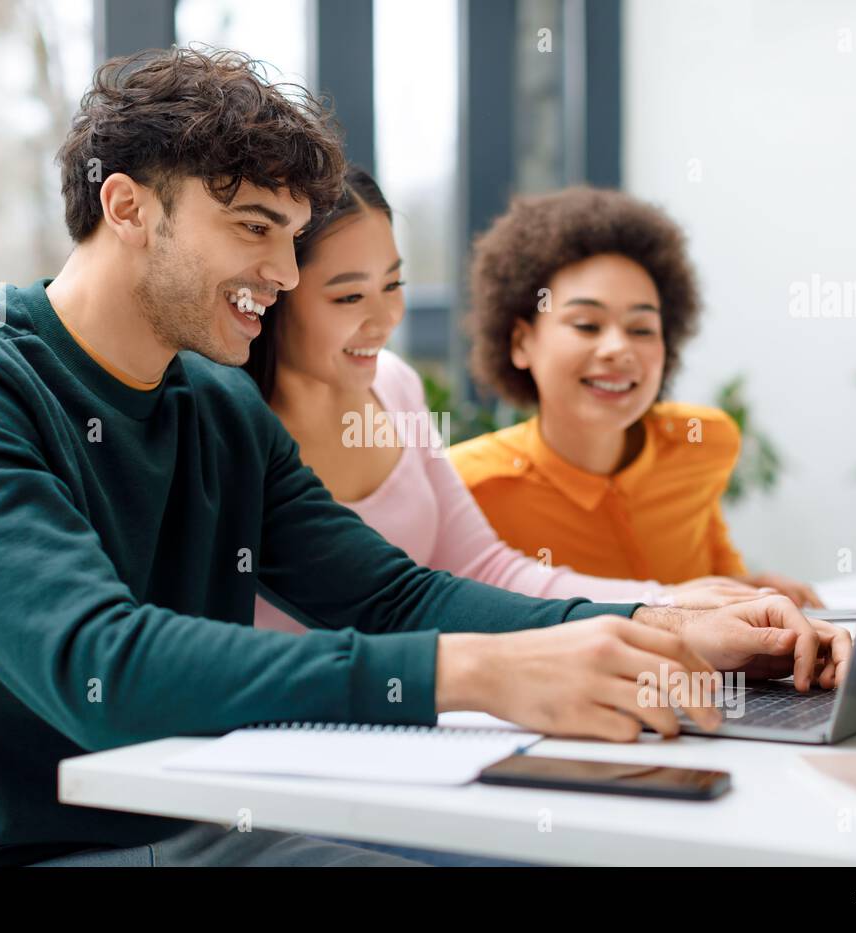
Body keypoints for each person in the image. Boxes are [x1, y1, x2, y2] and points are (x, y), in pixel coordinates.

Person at [0, 48, 847, 868]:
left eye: (294, 237)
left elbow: (389, 596)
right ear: (126, 206)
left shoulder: (213, 403)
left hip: (170, 819)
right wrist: (484, 673)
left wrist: (664, 630)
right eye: (253, 227)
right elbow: (101, 664)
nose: (280, 272)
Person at [244, 166, 767, 624]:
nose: (385, 321)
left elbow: (483, 568)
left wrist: (669, 606)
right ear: (275, 291)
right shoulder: (228, 422)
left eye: (395, 285)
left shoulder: (396, 386)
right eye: (349, 295)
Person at [448, 187, 823, 607]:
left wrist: (750, 590)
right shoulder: (469, 487)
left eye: (641, 329)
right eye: (587, 324)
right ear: (521, 342)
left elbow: (715, 574)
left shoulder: (703, 442)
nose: (618, 349)